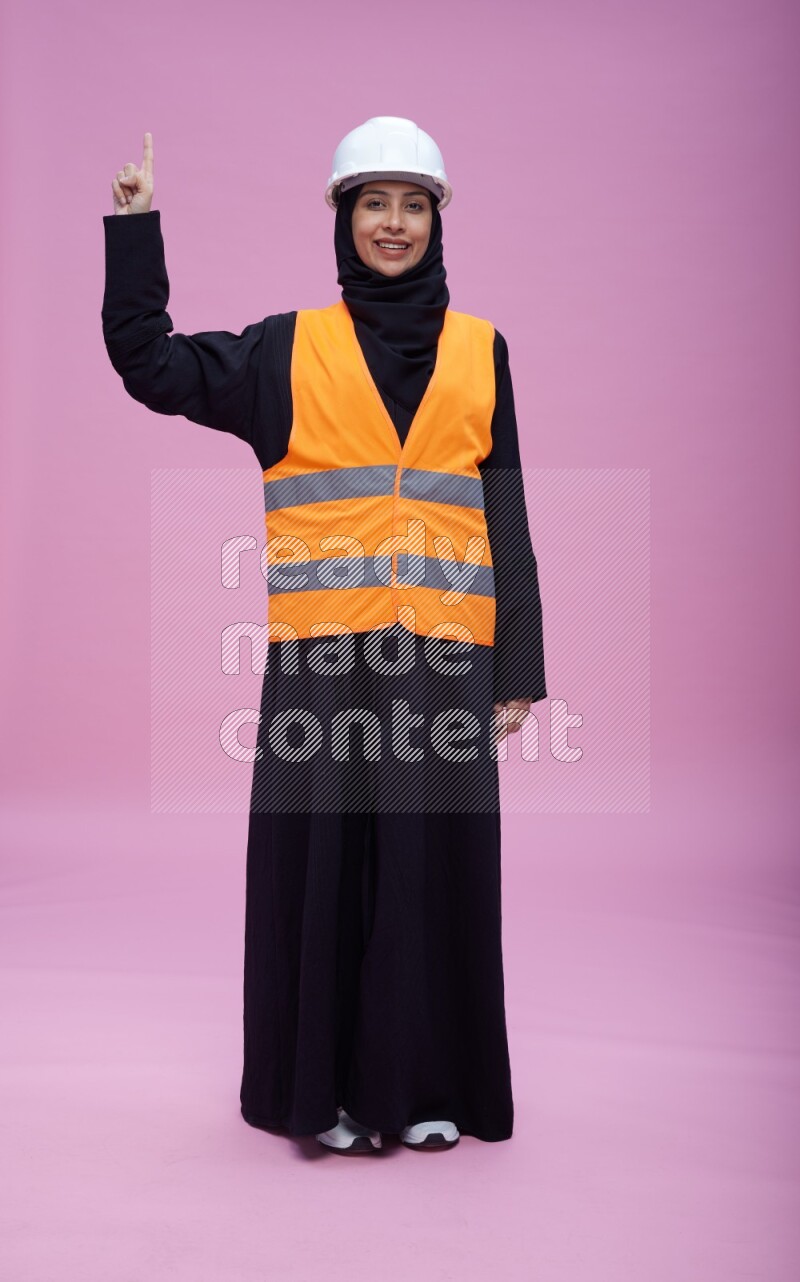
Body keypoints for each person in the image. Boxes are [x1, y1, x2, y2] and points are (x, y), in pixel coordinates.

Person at [102, 117, 547, 1154]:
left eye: (412, 204)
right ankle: (325, 1094)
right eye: (372, 203)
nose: (393, 223)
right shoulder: (283, 350)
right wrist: (135, 229)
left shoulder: (482, 350)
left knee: (431, 868)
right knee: (325, 868)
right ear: (343, 218)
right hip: (324, 662)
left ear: (437, 220)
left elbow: (505, 510)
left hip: (446, 661)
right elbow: (150, 364)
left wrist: (518, 667)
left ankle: (424, 1088)